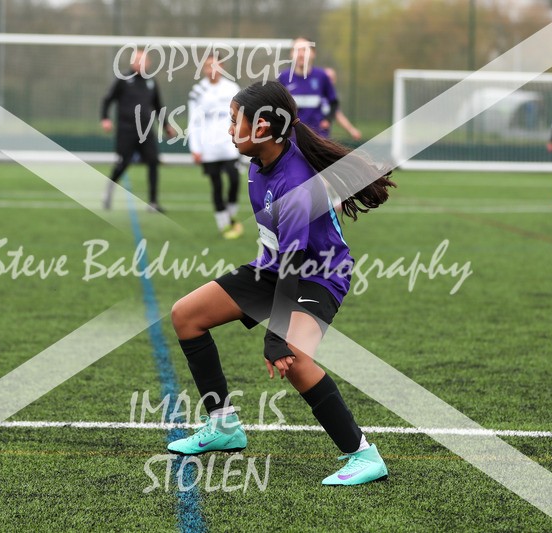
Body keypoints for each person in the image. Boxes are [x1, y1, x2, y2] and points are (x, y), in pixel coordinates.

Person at [168, 81, 396, 486]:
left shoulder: (294, 183)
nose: (228, 128)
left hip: (320, 273)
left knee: (294, 356)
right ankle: (223, 425)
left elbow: (295, 263)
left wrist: (274, 337)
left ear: (261, 129)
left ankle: (363, 455)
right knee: (186, 315)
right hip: (274, 267)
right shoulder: (259, 160)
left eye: (233, 119)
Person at [101, 48, 174, 213]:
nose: (140, 64)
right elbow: (107, 100)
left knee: (153, 162)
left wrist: (166, 126)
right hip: (126, 130)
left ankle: (153, 203)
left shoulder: (151, 82)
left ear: (148, 63)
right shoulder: (123, 80)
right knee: (122, 163)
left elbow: (158, 106)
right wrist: (105, 118)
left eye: (143, 61)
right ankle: (108, 192)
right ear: (132, 62)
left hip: (146, 131)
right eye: (137, 60)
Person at [187, 53, 244, 238]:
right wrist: (195, 148)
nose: (212, 70)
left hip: (230, 146)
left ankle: (231, 215)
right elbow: (193, 121)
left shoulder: (232, 88)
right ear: (204, 69)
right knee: (216, 185)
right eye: (208, 66)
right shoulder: (197, 91)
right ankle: (223, 225)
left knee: (235, 180)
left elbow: (241, 118)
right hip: (208, 149)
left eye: (216, 65)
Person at [277, 37, 338, 138]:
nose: (301, 54)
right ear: (291, 54)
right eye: (297, 50)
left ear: (313, 53)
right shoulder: (283, 78)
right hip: (292, 137)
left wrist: (327, 120)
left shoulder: (322, 76)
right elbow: (278, 106)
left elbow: (333, 102)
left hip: (318, 136)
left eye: (304, 50)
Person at [323, 68, 361, 141]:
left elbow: (338, 115)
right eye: (326, 78)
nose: (329, 81)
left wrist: (352, 130)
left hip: (321, 137)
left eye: (331, 78)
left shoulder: (331, 99)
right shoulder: (314, 93)